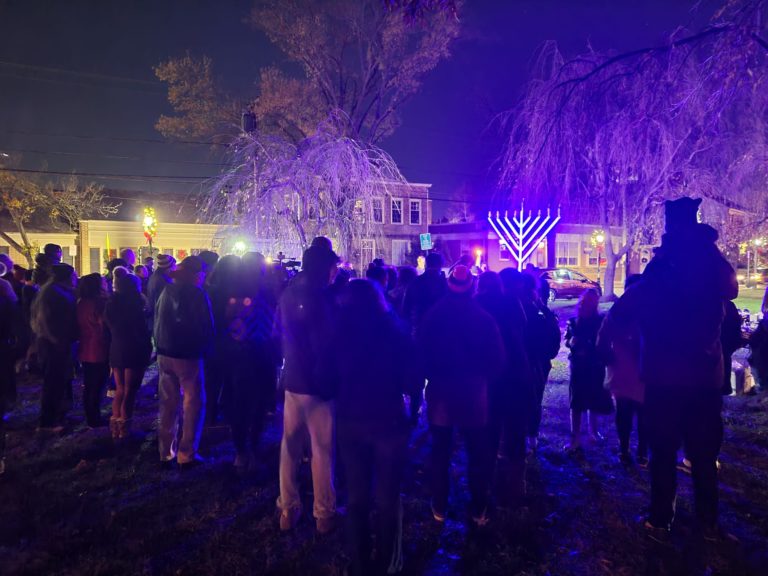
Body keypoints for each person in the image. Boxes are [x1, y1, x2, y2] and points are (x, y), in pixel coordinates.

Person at [611, 197, 738, 539]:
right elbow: (731, 287)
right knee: (701, 456)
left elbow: (622, 313)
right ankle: (706, 522)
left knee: (664, 454)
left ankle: (661, 518)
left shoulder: (660, 267)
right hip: (700, 377)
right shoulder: (707, 266)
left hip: (665, 376)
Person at [332, 279, 420, 575]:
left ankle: (359, 563)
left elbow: (326, 375)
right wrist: (414, 408)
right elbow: (412, 376)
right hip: (388, 418)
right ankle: (387, 563)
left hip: (350, 418)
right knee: (387, 495)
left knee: (356, 495)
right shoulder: (394, 331)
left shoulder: (338, 332)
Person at [419, 265, 505, 526]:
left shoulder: (432, 316)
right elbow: (498, 360)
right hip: (473, 396)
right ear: (472, 287)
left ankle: (439, 506)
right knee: (477, 453)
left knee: (440, 452)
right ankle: (479, 507)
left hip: (441, 396)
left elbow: (420, 354)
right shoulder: (484, 319)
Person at [274, 242, 339, 533]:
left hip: (293, 381)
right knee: (322, 449)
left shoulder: (288, 293)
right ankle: (323, 513)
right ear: (324, 268)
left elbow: (278, 332)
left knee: (289, 446)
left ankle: (287, 509)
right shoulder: (322, 298)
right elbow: (328, 346)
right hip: (317, 384)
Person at [474, 270, 531, 505]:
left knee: (489, 428)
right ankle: (517, 485)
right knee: (516, 428)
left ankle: (487, 483)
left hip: (487, 374)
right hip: (515, 371)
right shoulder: (513, 303)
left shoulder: (476, 304)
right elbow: (523, 331)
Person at [154, 256, 214, 467]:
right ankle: (186, 453)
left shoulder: (165, 291)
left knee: (168, 403)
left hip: (164, 353)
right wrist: (206, 348)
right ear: (196, 275)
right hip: (187, 356)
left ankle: (165, 451)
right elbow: (206, 326)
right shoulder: (197, 294)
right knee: (192, 403)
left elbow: (157, 320)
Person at [220, 254, 278, 469]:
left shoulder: (243, 290)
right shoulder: (254, 291)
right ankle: (247, 448)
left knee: (247, 403)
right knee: (251, 403)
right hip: (251, 352)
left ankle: (245, 449)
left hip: (248, 352)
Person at [598, 274, 647, 465]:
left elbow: (602, 339)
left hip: (623, 370)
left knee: (625, 413)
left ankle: (626, 449)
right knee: (641, 413)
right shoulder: (645, 313)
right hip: (637, 370)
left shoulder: (616, 313)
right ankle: (637, 451)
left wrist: (608, 357)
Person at [31, 263, 78, 430]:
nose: (75, 279)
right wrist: (59, 341)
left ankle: (59, 415)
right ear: (65, 277)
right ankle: (48, 421)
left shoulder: (55, 291)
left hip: (57, 343)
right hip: (53, 345)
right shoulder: (52, 294)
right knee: (53, 383)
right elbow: (49, 321)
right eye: (73, 275)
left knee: (61, 381)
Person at [105, 274, 152, 439]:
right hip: (134, 348)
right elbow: (141, 331)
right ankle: (125, 428)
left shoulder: (111, 303)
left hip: (117, 346)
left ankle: (115, 427)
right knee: (130, 390)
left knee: (120, 389)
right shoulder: (135, 305)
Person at [564, 289, 612, 450]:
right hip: (579, 365)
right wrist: (572, 342)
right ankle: (576, 436)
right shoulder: (574, 321)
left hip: (594, 364)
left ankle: (592, 432)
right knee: (577, 401)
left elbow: (604, 342)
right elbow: (567, 341)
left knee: (593, 398)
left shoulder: (600, 320)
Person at [76, 273, 110, 428]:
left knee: (89, 384)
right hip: (98, 347)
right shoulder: (100, 303)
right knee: (97, 384)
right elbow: (104, 325)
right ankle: (94, 418)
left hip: (85, 346)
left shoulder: (81, 302)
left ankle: (90, 415)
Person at [402, 252, 447, 335]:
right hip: (442, 326)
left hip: (420, 324)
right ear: (441, 265)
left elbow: (406, 307)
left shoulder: (415, 281)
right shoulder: (446, 283)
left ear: (426, 264)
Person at [147, 254, 176, 321]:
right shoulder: (162, 280)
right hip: (160, 317)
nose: (175, 267)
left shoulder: (155, 276)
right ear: (169, 267)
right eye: (174, 265)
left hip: (155, 316)